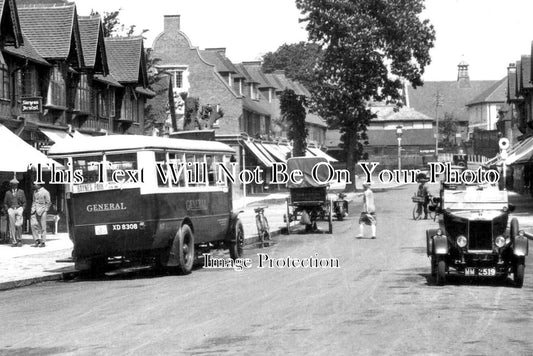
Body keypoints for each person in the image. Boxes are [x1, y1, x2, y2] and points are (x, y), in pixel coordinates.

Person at [3, 178, 26, 246]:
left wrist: (22, 208)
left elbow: (24, 202)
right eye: (13, 185)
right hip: (11, 209)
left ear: (17, 185)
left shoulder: (21, 192)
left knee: (19, 225)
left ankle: (19, 239)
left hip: (19, 208)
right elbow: (5, 203)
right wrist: (8, 209)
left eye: (15, 185)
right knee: (12, 225)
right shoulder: (8, 193)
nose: (14, 186)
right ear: (11, 185)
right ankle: (14, 241)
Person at [30, 182, 51, 247]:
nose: (34, 185)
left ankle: (43, 242)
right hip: (34, 210)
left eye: (35, 184)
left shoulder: (45, 192)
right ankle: (36, 240)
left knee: (43, 226)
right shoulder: (34, 192)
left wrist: (45, 210)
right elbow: (34, 201)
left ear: (39, 184)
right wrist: (32, 209)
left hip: (42, 210)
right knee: (33, 225)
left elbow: (48, 202)